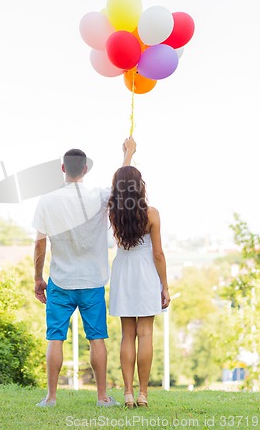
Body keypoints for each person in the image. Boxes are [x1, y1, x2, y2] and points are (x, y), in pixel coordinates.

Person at [32, 138, 136, 408]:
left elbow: (40, 243)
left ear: (63, 168)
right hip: (92, 281)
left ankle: (51, 397)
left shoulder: (47, 200)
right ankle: (102, 397)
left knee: (55, 337)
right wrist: (128, 154)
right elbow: (120, 184)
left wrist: (37, 278)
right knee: (96, 338)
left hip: (60, 281)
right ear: (86, 170)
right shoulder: (98, 197)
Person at [108, 164, 171, 408]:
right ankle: (143, 393)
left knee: (127, 335)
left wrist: (128, 154)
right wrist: (164, 286)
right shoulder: (151, 213)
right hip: (146, 272)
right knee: (145, 334)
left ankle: (127, 393)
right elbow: (158, 254)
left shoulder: (113, 212)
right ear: (140, 185)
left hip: (123, 272)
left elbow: (118, 185)